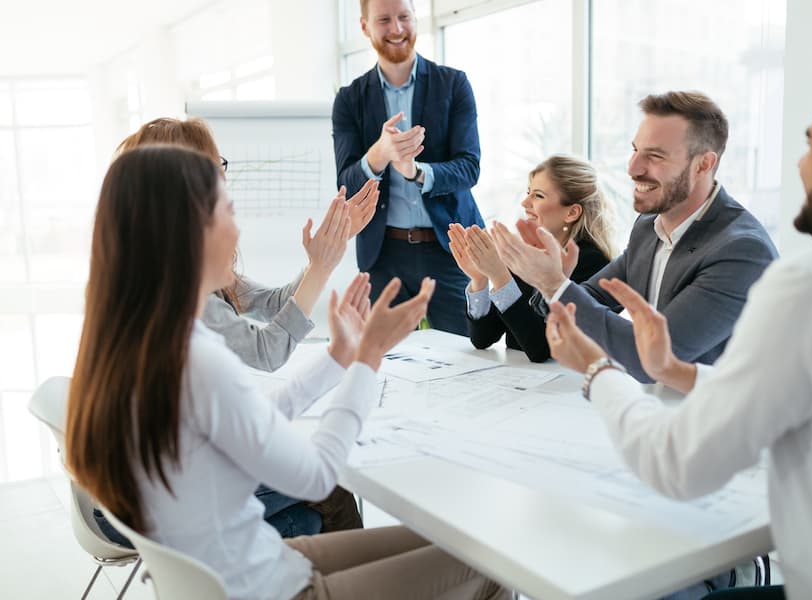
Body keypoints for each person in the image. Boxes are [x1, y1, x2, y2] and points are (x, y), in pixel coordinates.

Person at [66, 145, 510, 600]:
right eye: (228, 212)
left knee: (465, 546)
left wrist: (340, 356)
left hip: (257, 566)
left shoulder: (143, 345)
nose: (237, 232)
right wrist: (366, 361)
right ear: (188, 232)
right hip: (281, 589)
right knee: (497, 561)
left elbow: (251, 418)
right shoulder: (198, 360)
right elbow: (318, 476)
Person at [545, 38, 812, 600]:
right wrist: (680, 372)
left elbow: (675, 464)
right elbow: (810, 400)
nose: (801, 163)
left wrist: (595, 369)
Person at [97, 117, 372, 540]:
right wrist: (324, 274)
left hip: (138, 488)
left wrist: (323, 258)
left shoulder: (154, 277)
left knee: (312, 516)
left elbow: (276, 304)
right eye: (215, 167)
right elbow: (268, 351)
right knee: (329, 492)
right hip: (150, 501)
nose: (225, 176)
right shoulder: (183, 302)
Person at [492, 91, 778, 383]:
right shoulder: (648, 227)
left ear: (703, 164)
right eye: (635, 150)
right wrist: (553, 281)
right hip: (657, 409)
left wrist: (553, 283)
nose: (633, 168)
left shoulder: (742, 251)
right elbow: (588, 297)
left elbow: (653, 361)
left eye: (655, 156)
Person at [332, 0, 483, 336]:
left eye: (404, 17)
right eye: (384, 20)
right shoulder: (348, 99)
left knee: (465, 362)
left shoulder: (454, 84)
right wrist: (379, 155)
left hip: (449, 249)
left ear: (417, 20)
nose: (397, 29)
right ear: (364, 27)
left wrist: (416, 171)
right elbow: (345, 183)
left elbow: (469, 167)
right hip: (383, 254)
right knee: (388, 366)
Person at [448, 154, 617, 362]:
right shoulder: (526, 252)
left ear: (572, 212)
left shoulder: (592, 263)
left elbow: (541, 349)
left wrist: (500, 276)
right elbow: (483, 338)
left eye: (538, 196)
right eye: (528, 192)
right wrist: (479, 279)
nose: (525, 202)